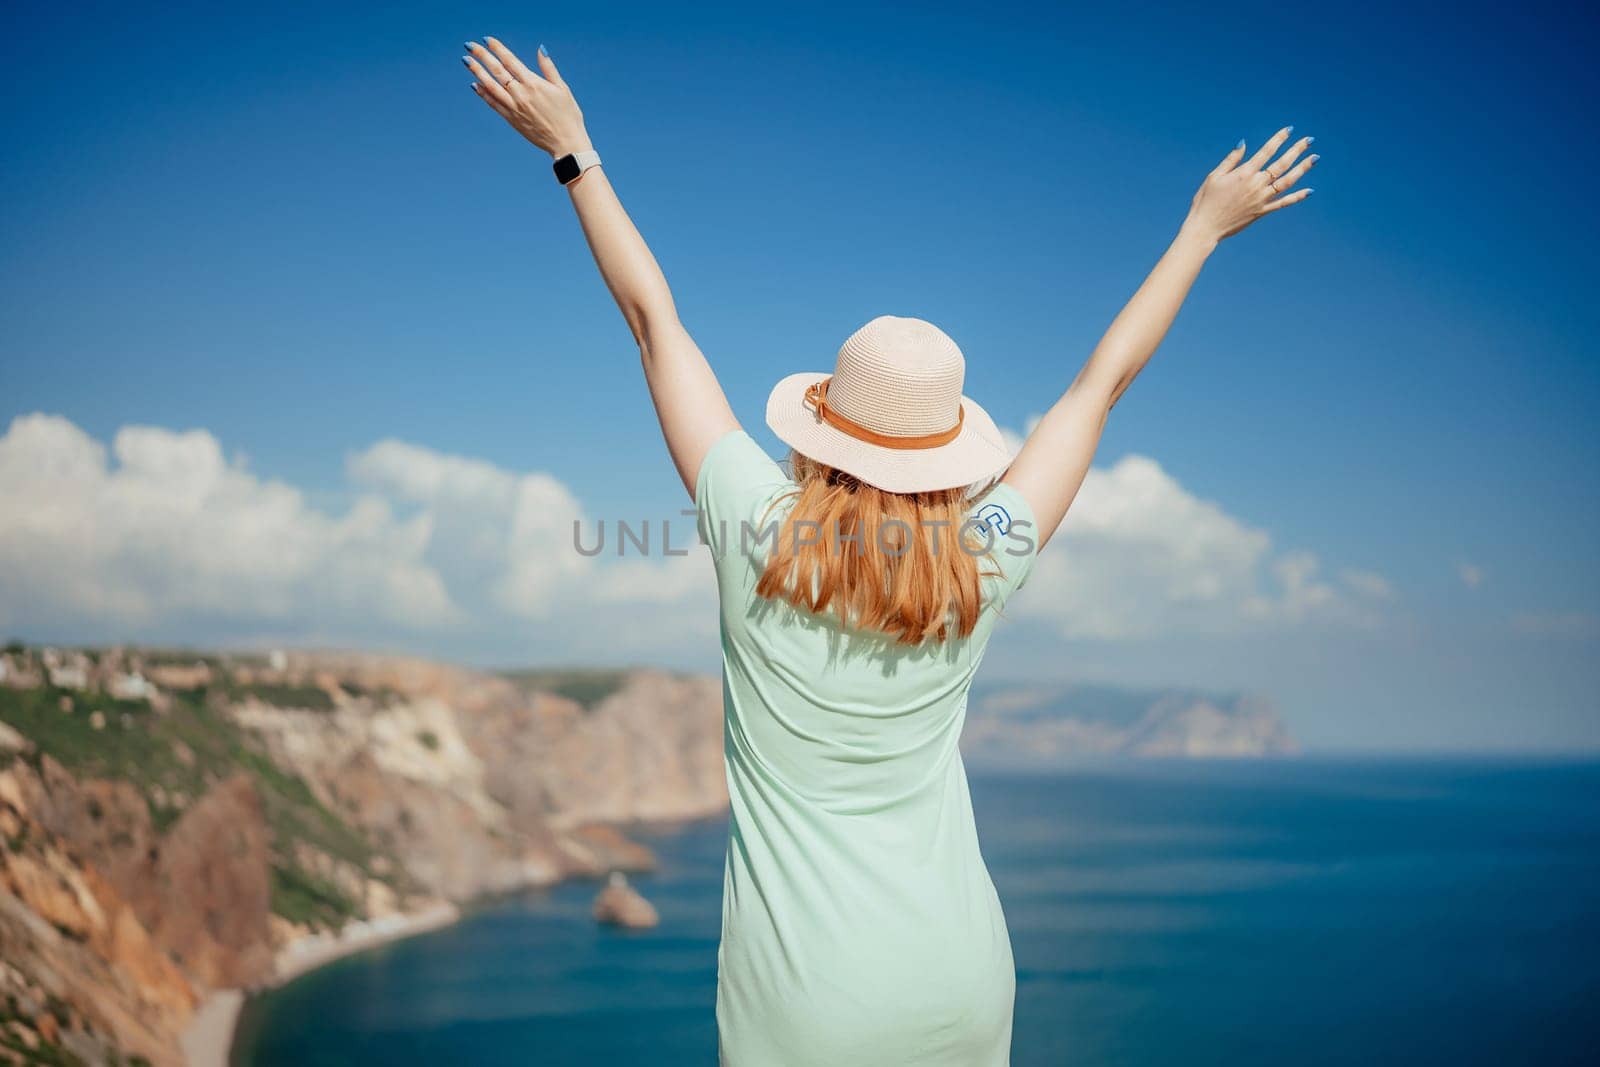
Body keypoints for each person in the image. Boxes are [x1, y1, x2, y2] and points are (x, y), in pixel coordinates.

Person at [463, 36, 1317, 1066]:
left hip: (806, 1008)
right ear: (948, 455)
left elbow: (656, 324)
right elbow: (1098, 388)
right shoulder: (981, 561)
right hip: (958, 983)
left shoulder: (754, 527)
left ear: (816, 428)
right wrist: (1201, 229)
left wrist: (575, 153)